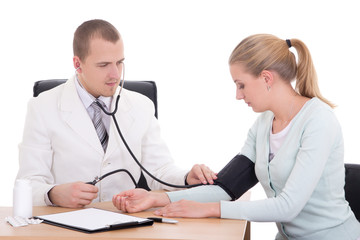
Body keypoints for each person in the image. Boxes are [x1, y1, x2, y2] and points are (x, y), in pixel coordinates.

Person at [113, 34, 360, 240]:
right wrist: (156, 197)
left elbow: (288, 206)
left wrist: (209, 210)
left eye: (241, 85)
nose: (238, 95)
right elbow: (227, 187)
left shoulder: (318, 121)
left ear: (266, 78)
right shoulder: (263, 125)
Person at [16, 19, 217, 208]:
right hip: (67, 222)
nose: (115, 74)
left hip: (121, 220)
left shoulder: (141, 105)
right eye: (103, 65)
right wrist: (53, 194)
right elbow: (28, 183)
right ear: (78, 64)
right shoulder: (42, 107)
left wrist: (186, 177)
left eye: (119, 62)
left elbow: (159, 171)